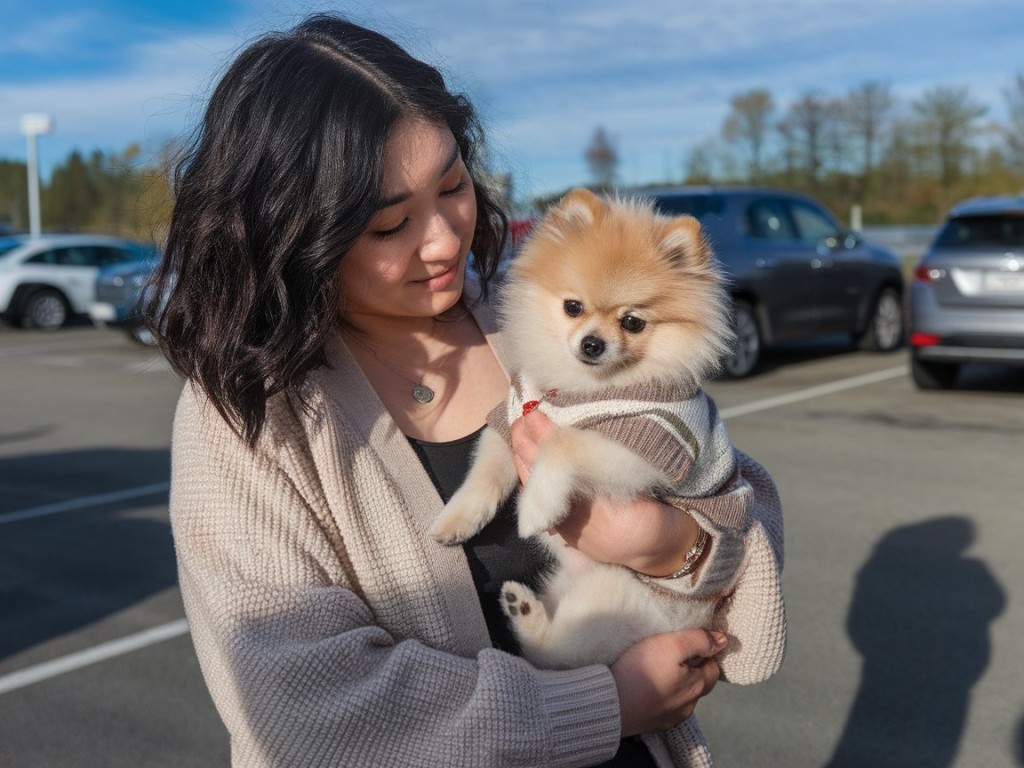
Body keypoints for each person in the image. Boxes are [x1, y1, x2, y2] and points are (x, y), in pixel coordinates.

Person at [148, 13, 785, 768]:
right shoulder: (252, 418)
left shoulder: (536, 321)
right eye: (390, 225)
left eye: (452, 186)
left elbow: (736, 498)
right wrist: (599, 706)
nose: (445, 238)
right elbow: (295, 699)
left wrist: (672, 547)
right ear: (292, 233)